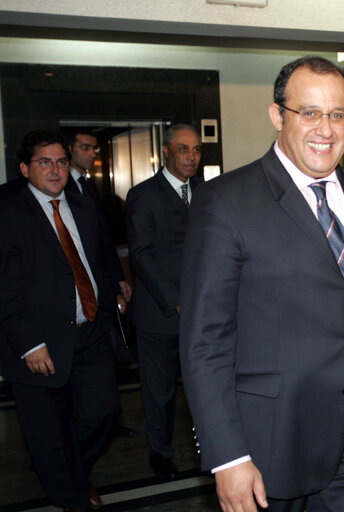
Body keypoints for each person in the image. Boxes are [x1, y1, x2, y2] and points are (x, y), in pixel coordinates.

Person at [179, 56, 344, 512]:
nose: (326, 128)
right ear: (278, 115)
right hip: (272, 439)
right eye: (310, 112)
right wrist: (228, 455)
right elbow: (205, 341)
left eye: (337, 115)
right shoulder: (226, 201)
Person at [0, 130, 123, 511]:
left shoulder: (83, 206)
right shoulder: (8, 213)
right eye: (44, 162)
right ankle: (72, 497)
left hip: (90, 331)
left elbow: (95, 256)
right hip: (39, 342)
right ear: (24, 168)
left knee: (106, 412)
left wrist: (112, 289)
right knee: (48, 433)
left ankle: (70, 470)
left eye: (61, 162)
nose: (55, 170)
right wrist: (29, 344)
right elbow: (5, 288)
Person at [126, 124, 202, 478]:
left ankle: (210, 450)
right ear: (167, 152)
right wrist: (175, 301)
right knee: (160, 394)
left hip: (203, 316)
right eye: (184, 149)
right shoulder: (144, 195)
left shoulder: (206, 192)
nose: (191, 157)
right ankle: (160, 455)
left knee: (205, 387)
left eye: (197, 150)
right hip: (160, 316)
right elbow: (141, 256)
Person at [67, 130, 132, 303]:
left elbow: (103, 235)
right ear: (69, 149)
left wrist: (118, 276)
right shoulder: (61, 186)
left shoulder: (89, 186)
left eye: (94, 148)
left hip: (100, 272)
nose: (92, 154)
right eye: (85, 147)